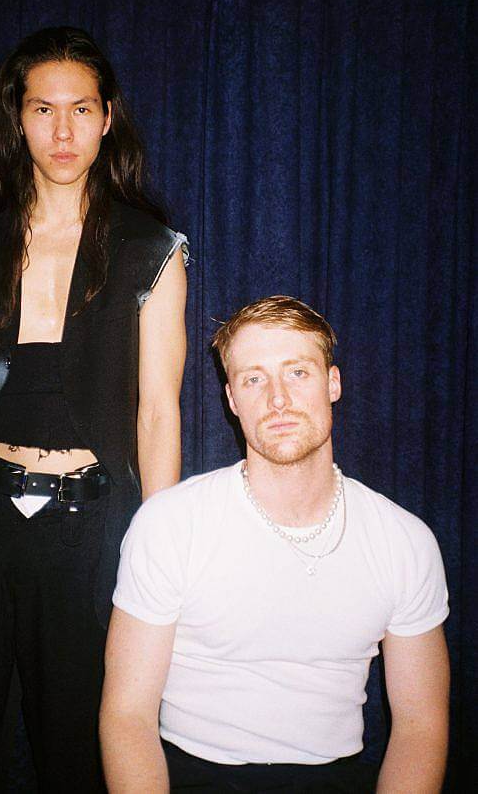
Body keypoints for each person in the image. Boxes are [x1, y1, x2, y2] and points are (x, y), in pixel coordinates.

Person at [0, 26, 187, 792]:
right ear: (16, 120)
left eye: (81, 109)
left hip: (90, 531)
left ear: (107, 117)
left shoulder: (149, 248)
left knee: (86, 751)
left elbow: (157, 412)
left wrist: (162, 564)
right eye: (43, 110)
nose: (62, 131)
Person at [100, 295, 450, 793]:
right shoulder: (170, 524)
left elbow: (420, 727)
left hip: (335, 778)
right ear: (232, 399)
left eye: (298, 373)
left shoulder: (404, 541)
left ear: (333, 383)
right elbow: (127, 717)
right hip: (191, 774)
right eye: (254, 378)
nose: (278, 399)